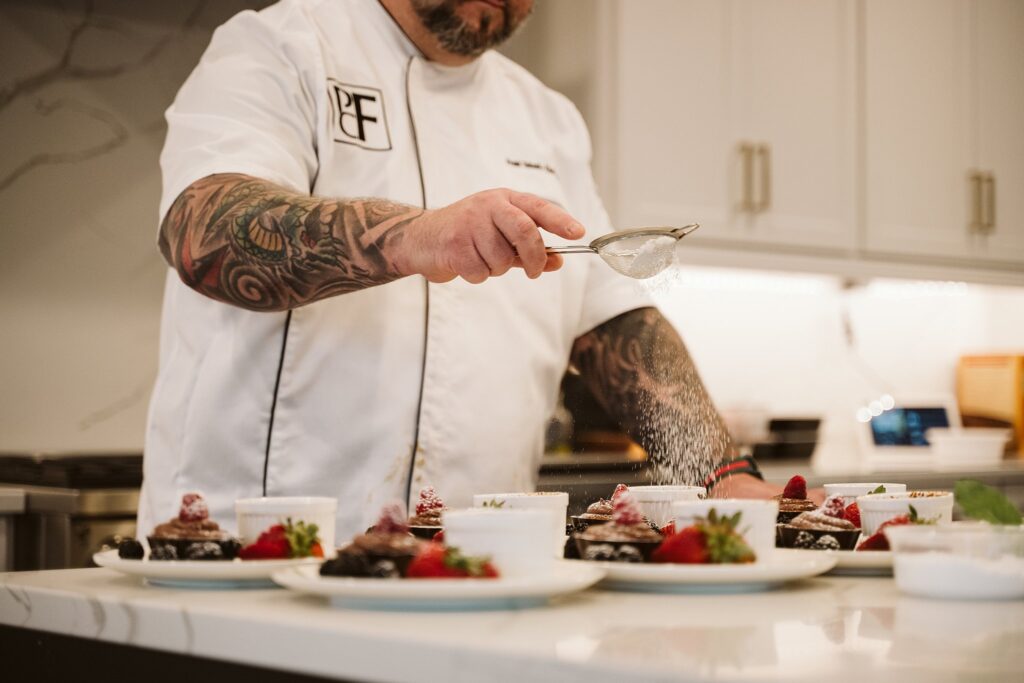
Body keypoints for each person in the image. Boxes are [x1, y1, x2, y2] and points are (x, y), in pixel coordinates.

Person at [139, 0, 781, 540]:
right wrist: (415, 236)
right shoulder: (280, 46)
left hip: (480, 563)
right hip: (257, 559)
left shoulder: (545, 117)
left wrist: (721, 473)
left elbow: (612, 322)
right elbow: (205, 231)